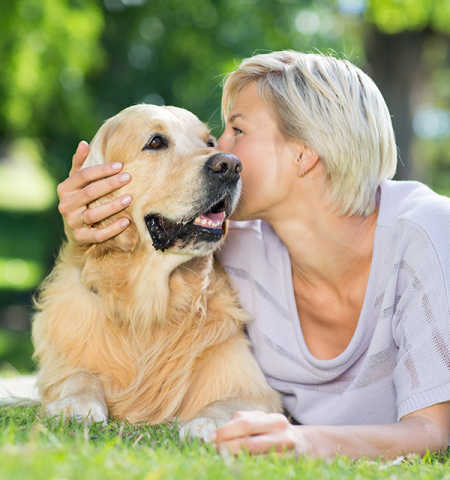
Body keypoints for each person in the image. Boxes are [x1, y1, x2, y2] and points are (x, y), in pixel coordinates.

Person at [56, 51, 449, 459]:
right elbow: (127, 264)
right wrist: (84, 218)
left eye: (236, 131)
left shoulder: (427, 233)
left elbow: (434, 433)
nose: (219, 152)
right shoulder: (233, 245)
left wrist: (301, 441)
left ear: (304, 152)